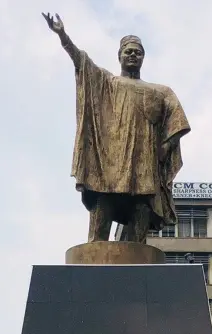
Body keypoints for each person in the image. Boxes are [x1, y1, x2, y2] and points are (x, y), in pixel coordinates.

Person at [42, 13, 190, 244]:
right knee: (103, 207)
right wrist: (63, 35)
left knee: (142, 209)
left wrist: (166, 146)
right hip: (110, 164)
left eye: (137, 52)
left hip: (144, 165)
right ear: (119, 56)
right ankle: (94, 257)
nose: (133, 55)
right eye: (128, 51)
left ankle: (139, 259)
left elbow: (179, 120)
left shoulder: (160, 91)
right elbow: (81, 61)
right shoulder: (108, 82)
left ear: (144, 58)